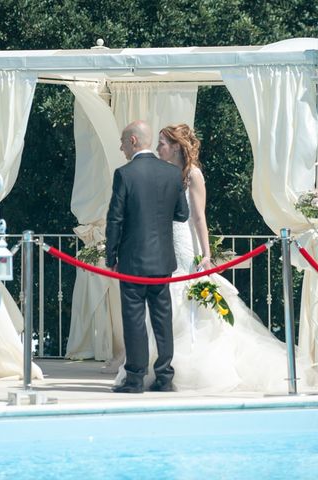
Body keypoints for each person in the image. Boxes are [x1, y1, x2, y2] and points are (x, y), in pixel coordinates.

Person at [152, 123, 313, 392]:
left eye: (162, 144)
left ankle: (193, 364)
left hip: (185, 243)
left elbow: (199, 216)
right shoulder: (166, 174)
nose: (158, 149)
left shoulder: (193, 174)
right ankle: (165, 364)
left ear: (177, 146)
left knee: (186, 297)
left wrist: (206, 254)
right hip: (166, 241)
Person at [105, 120, 189, 394]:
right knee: (162, 320)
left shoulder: (125, 174)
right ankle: (164, 376)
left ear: (132, 141)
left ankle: (135, 378)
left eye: (122, 141)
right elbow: (182, 214)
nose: (120, 147)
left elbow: (115, 220)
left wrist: (111, 255)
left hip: (132, 260)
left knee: (134, 321)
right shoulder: (172, 174)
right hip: (162, 261)